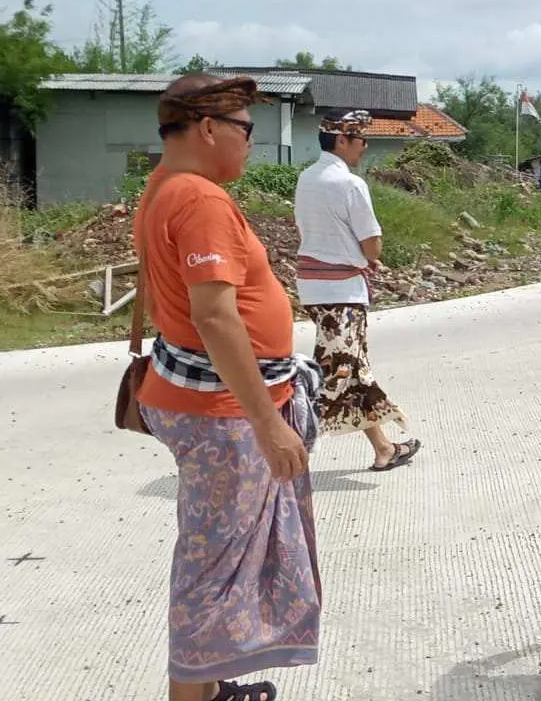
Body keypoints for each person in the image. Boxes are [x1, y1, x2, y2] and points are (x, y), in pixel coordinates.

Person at [134, 73, 322, 701]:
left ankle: (208, 688)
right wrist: (268, 423)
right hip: (223, 411)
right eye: (246, 129)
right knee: (213, 564)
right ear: (209, 128)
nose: (252, 143)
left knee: (219, 553)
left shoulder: (164, 186)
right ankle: (191, 697)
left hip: (206, 400)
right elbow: (215, 315)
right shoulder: (200, 199)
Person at [294, 110, 421, 472]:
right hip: (342, 292)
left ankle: (383, 448)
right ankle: (285, 441)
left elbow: (320, 233)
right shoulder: (349, 184)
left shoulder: (306, 178)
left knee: (352, 369)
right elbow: (372, 246)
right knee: (338, 375)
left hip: (315, 288)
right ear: (342, 141)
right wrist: (367, 256)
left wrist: (353, 256)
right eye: (361, 140)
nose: (365, 147)